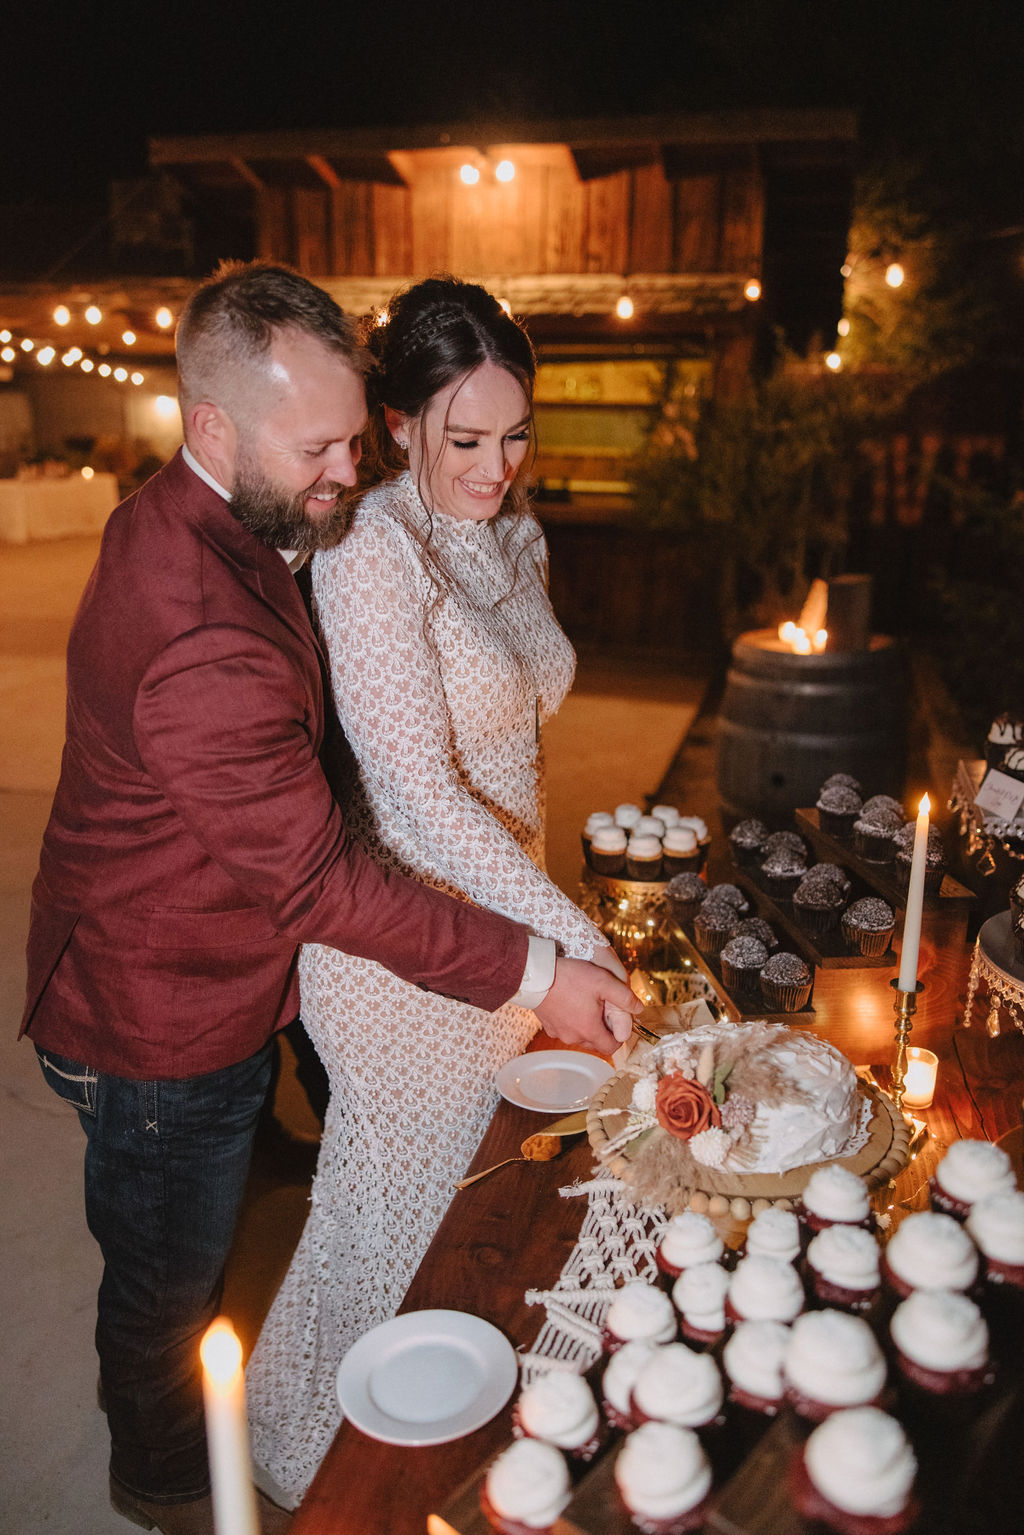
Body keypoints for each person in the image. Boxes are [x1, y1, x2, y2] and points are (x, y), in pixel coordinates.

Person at [20, 262, 638, 1535]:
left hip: (272, 942)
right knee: (170, 1288)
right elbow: (322, 870)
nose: (348, 474)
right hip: (158, 1004)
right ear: (210, 427)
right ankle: (173, 1490)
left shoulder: (232, 511)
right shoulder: (201, 618)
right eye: (324, 447)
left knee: (339, 1212)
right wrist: (544, 957)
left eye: (356, 438)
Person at [245, 276, 623, 1504]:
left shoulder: (518, 535)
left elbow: (516, 755)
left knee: (477, 1213)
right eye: (463, 438)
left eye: (515, 435)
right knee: (385, 1223)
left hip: (509, 919)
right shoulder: (368, 548)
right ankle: (313, 1470)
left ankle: (445, 1460)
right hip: (400, 953)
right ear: (398, 420)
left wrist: (554, 915)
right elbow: (413, 798)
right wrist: (571, 940)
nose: (493, 466)